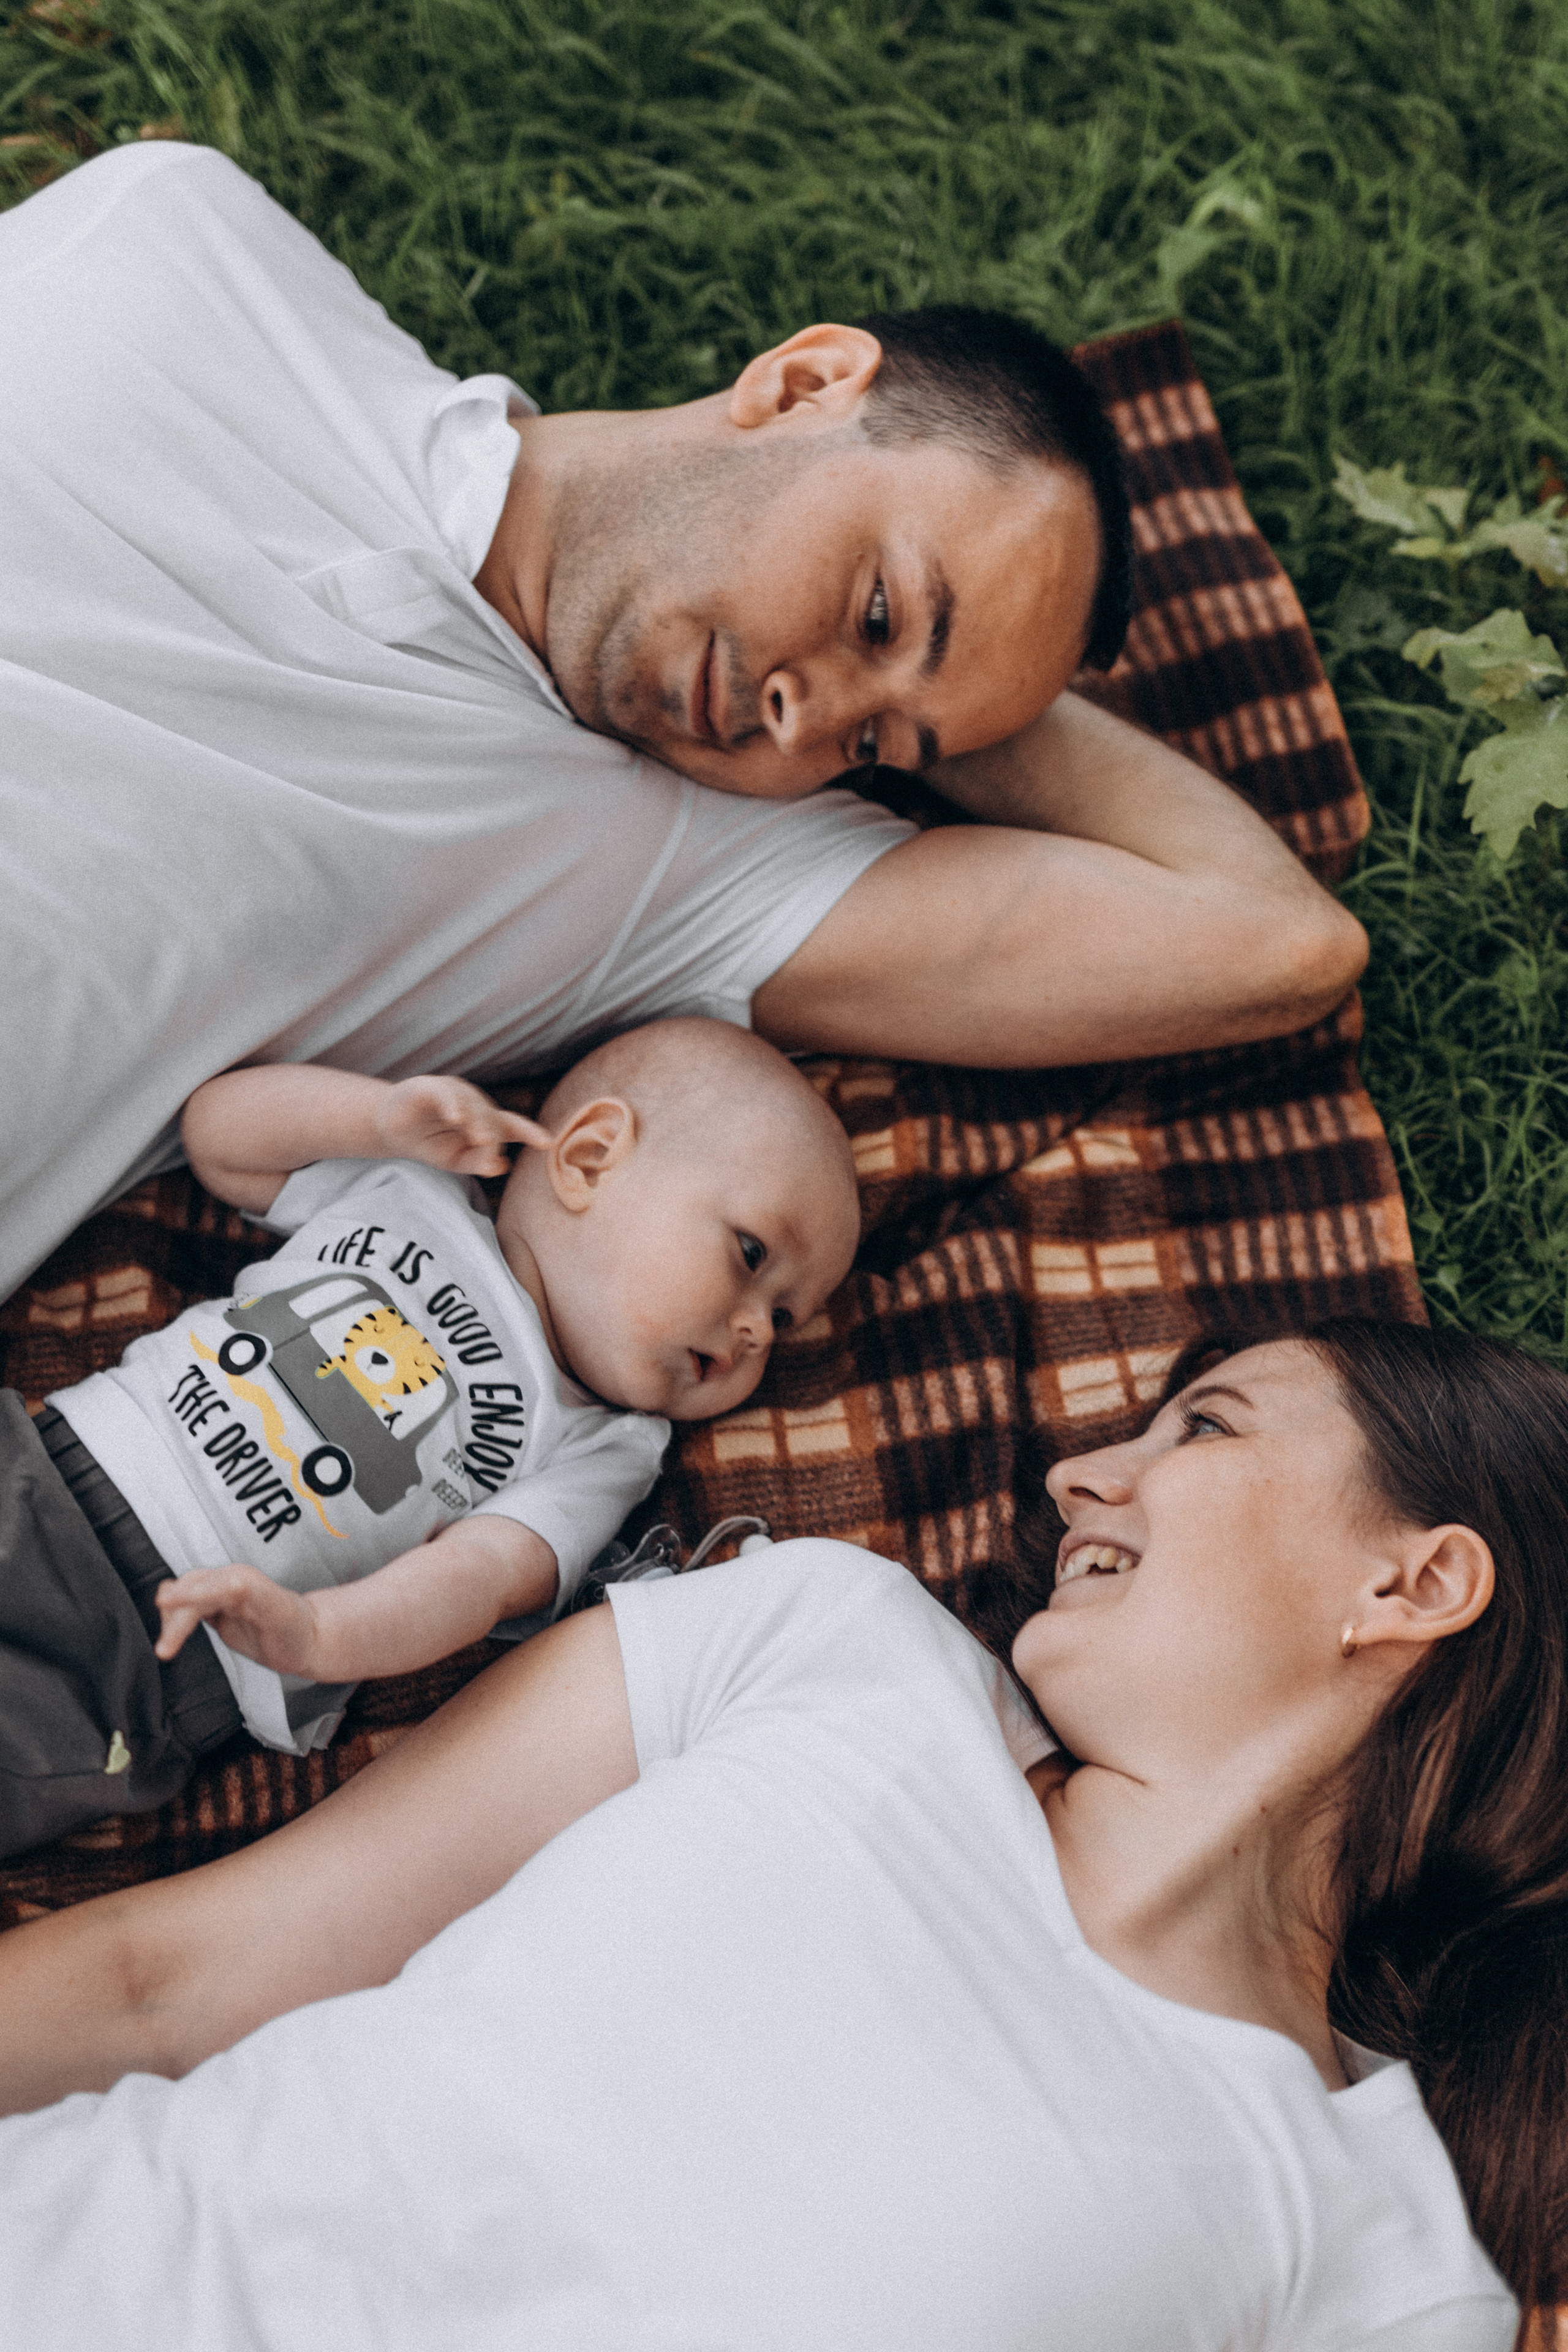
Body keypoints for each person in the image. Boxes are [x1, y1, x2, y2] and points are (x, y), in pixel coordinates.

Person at [0, 1320, 1557, 2349]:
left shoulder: (1375, 2265)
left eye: (1202, 1428)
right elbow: (172, 1979)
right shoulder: (829, 1643)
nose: (1086, 1472)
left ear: (1409, 1586)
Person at [0, 138, 1367, 1301]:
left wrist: (968, 687)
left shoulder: (671, 869)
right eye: (878, 612)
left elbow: (1279, 945)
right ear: (803, 383)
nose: (801, 717)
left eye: (873, 748)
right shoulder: (181, 233)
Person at [0, 1017, 859, 1855]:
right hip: (48, 1465)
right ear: (591, 1155)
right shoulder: (410, 1192)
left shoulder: (607, 1447)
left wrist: (320, 1634)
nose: (757, 1333)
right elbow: (218, 1136)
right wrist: (375, 1118)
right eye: (751, 1254)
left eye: (785, 1317)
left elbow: (478, 1578)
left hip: (162, 1660)